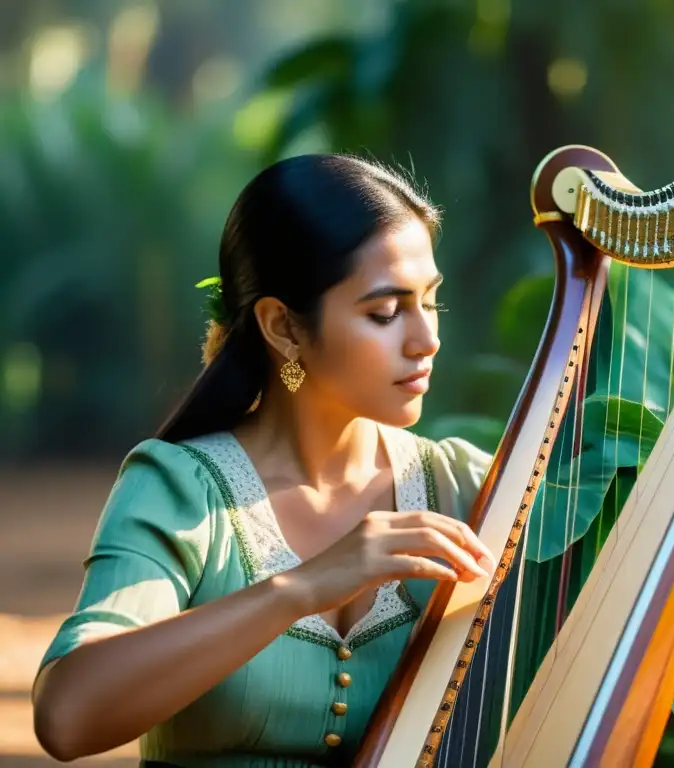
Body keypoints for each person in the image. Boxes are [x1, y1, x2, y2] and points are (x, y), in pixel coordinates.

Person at [31, 153, 497, 766]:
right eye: (385, 312)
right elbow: (66, 718)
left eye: (430, 302)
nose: (426, 338)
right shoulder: (181, 493)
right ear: (283, 327)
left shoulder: (467, 487)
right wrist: (302, 586)